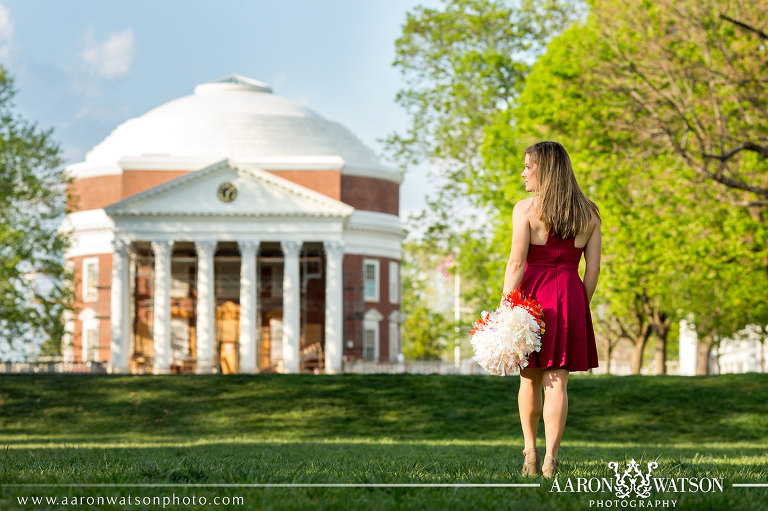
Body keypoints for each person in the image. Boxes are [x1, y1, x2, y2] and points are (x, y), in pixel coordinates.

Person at [501, 141, 601, 478]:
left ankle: (530, 451)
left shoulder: (525, 210)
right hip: (570, 295)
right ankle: (551, 460)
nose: (523, 173)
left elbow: (516, 262)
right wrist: (578, 306)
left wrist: (505, 307)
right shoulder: (589, 212)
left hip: (531, 297)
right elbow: (593, 270)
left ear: (545, 169)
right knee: (557, 381)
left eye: (529, 166)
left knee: (528, 379)